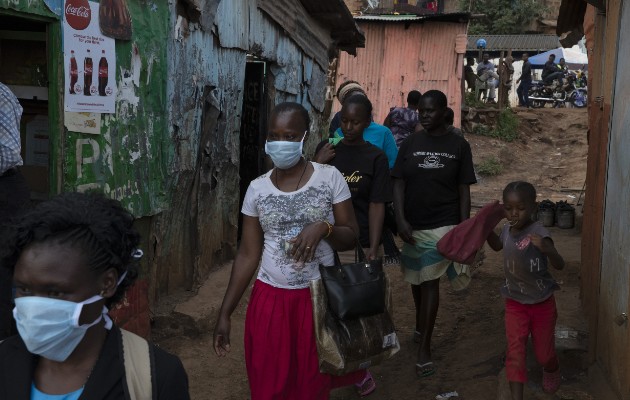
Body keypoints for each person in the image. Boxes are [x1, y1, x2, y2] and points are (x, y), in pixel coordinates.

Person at [213, 102, 376, 399]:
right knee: (269, 385)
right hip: (270, 300)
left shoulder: (329, 178)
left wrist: (322, 228)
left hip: (319, 300)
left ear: (304, 136)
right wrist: (225, 312)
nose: (281, 142)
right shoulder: (257, 189)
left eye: (289, 136)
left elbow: (351, 236)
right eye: (274, 135)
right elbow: (248, 254)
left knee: (311, 386)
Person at [0, 192, 190, 399]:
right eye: (24, 290)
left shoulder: (155, 377)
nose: (34, 306)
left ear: (107, 283)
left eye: (54, 292)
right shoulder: (5, 361)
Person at [392, 90, 476, 378]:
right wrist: (400, 219)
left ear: (443, 111)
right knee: (416, 278)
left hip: (444, 225)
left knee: (429, 282)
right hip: (413, 226)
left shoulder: (459, 145)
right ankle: (420, 324)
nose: (424, 115)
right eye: (421, 111)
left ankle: (424, 346)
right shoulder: (411, 143)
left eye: (430, 111)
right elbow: (399, 183)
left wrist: (464, 229)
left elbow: (464, 188)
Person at [486, 181, 565, 399]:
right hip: (514, 303)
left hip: (542, 303)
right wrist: (484, 229)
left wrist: (548, 249)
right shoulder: (507, 229)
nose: (514, 214)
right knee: (515, 354)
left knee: (544, 354)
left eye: (520, 209)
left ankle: (551, 368)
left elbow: (560, 265)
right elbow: (496, 245)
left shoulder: (539, 232)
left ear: (534, 206)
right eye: (509, 208)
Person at [316, 95, 392, 261]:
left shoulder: (376, 157)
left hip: (360, 243)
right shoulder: (327, 148)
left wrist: (373, 246)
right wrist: (317, 163)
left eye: (355, 122)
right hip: (324, 242)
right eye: (344, 120)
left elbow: (377, 204)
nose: (348, 127)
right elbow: (310, 190)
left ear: (367, 122)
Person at [0, 82, 30, 340]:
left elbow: (8, 154)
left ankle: (7, 342)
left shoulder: (0, 95)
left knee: (4, 267)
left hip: (4, 189)